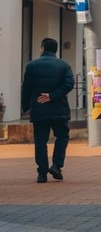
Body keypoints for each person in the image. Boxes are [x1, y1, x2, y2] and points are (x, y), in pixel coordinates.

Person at [21, 38, 74, 183]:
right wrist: (52, 96)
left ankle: (42, 173)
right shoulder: (64, 66)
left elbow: (26, 88)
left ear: (42, 48)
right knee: (62, 136)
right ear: (55, 50)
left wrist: (26, 107)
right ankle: (57, 165)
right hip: (59, 108)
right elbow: (69, 84)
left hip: (39, 109)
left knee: (40, 141)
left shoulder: (32, 66)